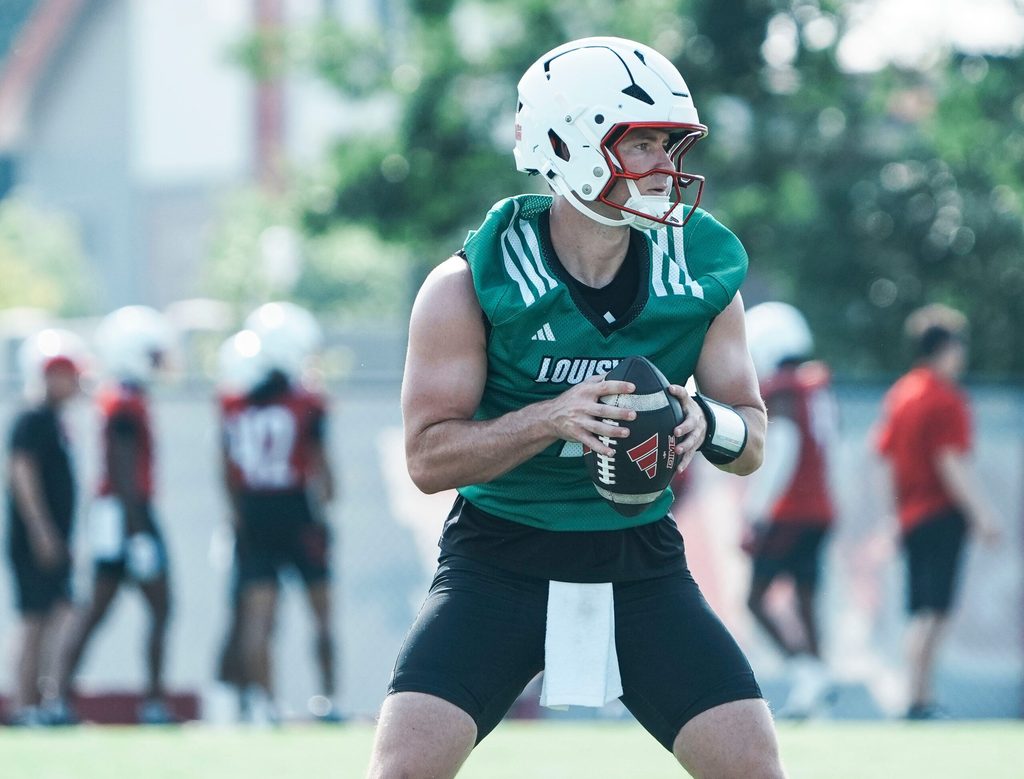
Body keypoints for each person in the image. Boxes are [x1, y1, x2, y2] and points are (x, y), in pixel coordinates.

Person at [368, 37, 785, 778]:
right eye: (643, 143)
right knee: (402, 769)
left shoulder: (701, 271)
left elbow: (751, 441)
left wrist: (704, 421)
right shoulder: (471, 282)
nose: (666, 167)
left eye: (670, 145)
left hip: (639, 559)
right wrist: (551, 416)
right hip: (498, 558)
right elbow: (427, 459)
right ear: (566, 144)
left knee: (754, 769)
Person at [874, 303, 1000, 720]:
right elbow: (951, 462)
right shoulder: (945, 398)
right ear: (945, 348)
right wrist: (982, 514)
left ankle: (917, 696)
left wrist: (892, 516)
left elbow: (885, 460)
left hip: (911, 517)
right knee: (935, 611)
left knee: (920, 610)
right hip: (941, 514)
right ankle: (919, 698)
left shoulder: (901, 394)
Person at [57, 306, 178, 725]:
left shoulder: (122, 396)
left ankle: (58, 696)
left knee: (99, 610)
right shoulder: (125, 402)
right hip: (128, 514)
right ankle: (152, 701)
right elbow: (123, 468)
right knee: (152, 607)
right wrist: (138, 531)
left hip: (118, 513)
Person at [216, 314, 340, 725]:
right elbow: (324, 475)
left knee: (258, 620)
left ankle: (265, 706)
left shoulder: (234, 404)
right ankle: (327, 699)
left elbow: (225, 468)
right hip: (298, 512)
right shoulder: (307, 404)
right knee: (321, 615)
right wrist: (326, 506)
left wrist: (237, 516)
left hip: (253, 514)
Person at [743, 302, 837, 718]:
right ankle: (813, 687)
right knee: (805, 599)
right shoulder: (818, 387)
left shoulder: (784, 388)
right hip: (820, 509)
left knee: (755, 599)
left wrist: (756, 511)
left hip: (789, 509)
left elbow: (783, 445)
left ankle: (809, 674)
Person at [4, 330, 84, 726]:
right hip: (35, 540)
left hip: (54, 538)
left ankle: (47, 700)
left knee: (60, 613)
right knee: (35, 619)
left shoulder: (55, 422)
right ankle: (24, 705)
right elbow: (21, 472)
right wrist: (41, 530)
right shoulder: (32, 420)